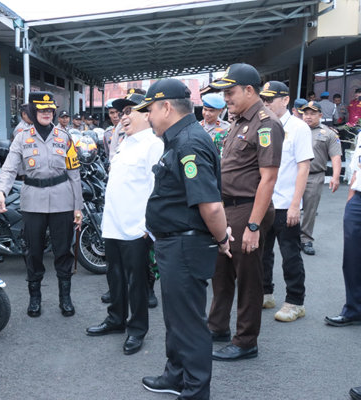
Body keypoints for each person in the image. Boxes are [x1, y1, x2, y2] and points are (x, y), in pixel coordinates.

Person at [135, 79, 230, 399]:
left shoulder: (189, 143)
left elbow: (211, 205)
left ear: (166, 107)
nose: (147, 116)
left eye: (149, 110)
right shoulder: (179, 139)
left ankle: (195, 390)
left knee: (188, 323)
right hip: (175, 243)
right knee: (176, 318)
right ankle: (176, 375)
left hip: (185, 245)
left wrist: (222, 239)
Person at [207, 63, 284, 361]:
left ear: (249, 90)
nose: (226, 98)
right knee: (220, 271)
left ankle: (245, 341)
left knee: (248, 277)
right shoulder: (239, 120)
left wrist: (253, 227)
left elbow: (269, 178)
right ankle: (217, 327)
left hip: (248, 209)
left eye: (230, 91)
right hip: (227, 208)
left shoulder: (267, 124)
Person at [86, 92, 164, 355]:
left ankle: (137, 328)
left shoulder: (153, 145)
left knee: (137, 281)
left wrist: (147, 226)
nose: (124, 116)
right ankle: (116, 319)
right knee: (115, 276)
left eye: (130, 111)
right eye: (122, 112)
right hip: (113, 224)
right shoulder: (123, 143)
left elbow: (157, 189)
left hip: (136, 228)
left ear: (147, 114)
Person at [0, 91, 83, 318]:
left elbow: (74, 174)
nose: (46, 113)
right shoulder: (22, 138)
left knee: (63, 251)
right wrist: (1, 191)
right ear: (33, 111)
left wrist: (78, 207)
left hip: (62, 201)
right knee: (33, 251)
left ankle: (65, 297)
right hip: (32, 202)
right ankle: (35, 297)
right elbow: (10, 168)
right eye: (42, 110)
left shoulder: (64, 137)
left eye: (49, 110)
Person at [260, 81, 314, 322]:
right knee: (262, 253)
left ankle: (295, 301)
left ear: (286, 100)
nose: (267, 102)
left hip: (285, 203)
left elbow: (303, 168)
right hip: (264, 202)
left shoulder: (299, 127)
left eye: (271, 98)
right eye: (264, 98)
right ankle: (265, 292)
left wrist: (295, 204)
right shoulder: (263, 125)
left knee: (290, 254)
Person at [324, 138, 361, 327]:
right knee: (352, 259)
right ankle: (354, 309)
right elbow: (357, 168)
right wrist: (350, 202)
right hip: (358, 200)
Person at [300, 101, 342, 256]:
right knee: (289, 208)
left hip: (314, 176)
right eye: (306, 113)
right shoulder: (294, 130)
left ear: (320, 115)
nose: (308, 117)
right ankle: (290, 237)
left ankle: (306, 239)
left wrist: (336, 177)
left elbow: (336, 156)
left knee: (310, 208)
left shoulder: (328, 133)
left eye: (312, 113)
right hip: (294, 175)